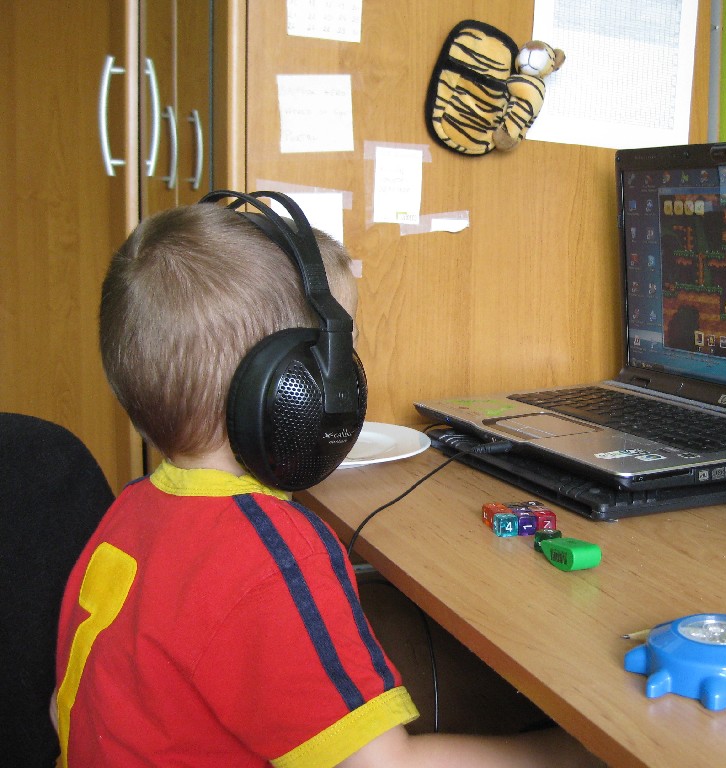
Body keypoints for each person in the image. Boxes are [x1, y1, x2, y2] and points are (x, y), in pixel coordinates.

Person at [54, 198, 601, 768]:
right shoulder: (272, 555)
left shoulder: (132, 508)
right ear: (293, 384)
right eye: (340, 358)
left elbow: (64, 709)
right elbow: (382, 766)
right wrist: (567, 754)